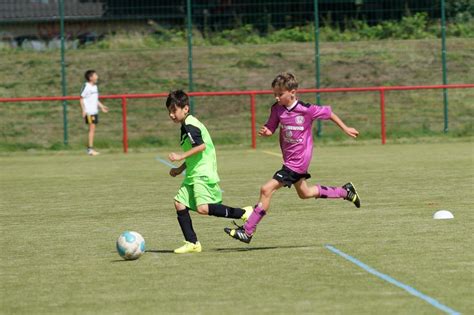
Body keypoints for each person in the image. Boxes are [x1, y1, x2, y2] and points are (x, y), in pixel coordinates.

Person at [225, 72, 361, 244]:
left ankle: (248, 231)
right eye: (274, 94)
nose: (276, 97)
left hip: (298, 162)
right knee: (305, 193)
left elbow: (329, 113)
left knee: (266, 190)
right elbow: (271, 126)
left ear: (293, 92)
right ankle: (345, 191)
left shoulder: (306, 109)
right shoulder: (277, 109)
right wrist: (267, 131)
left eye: (280, 94)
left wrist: (345, 128)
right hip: (289, 160)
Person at [166, 90, 252, 254]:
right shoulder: (185, 126)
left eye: (173, 110)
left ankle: (244, 213)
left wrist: (180, 156)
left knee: (203, 208)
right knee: (179, 203)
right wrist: (180, 169)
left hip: (202, 172)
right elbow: (195, 154)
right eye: (169, 111)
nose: (171, 114)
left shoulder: (190, 125)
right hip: (193, 172)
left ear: (185, 108)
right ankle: (192, 243)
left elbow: (201, 147)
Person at [80, 70, 108, 156]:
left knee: (93, 129)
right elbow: (81, 98)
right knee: (92, 130)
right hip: (89, 112)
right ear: (90, 77)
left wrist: (102, 106)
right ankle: (90, 150)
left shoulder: (95, 87)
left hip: (94, 111)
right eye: (95, 75)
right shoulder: (86, 86)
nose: (97, 76)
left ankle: (90, 149)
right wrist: (83, 110)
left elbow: (95, 99)